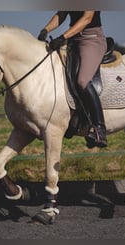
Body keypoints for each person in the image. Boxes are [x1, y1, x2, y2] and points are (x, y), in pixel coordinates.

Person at [38, 11, 107, 148]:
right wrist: (45, 29)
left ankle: (99, 128)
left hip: (91, 39)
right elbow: (62, 14)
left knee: (82, 80)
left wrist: (63, 36)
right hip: (73, 39)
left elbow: (87, 18)